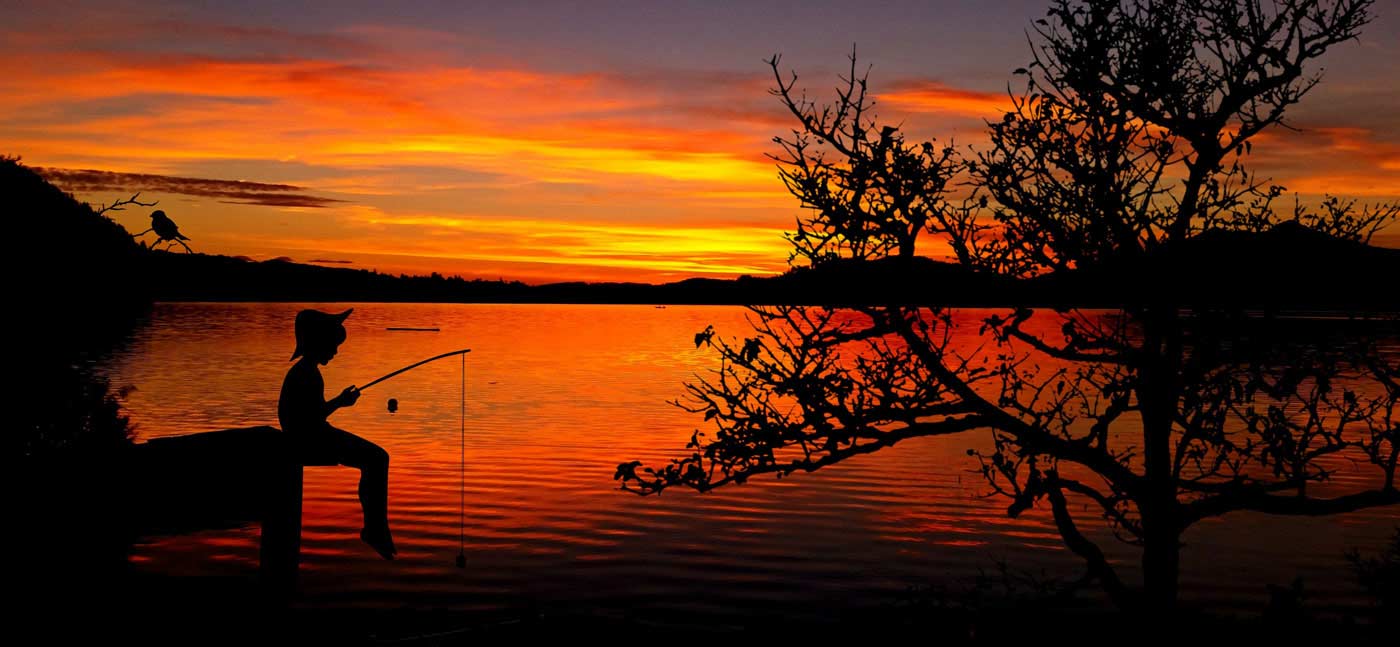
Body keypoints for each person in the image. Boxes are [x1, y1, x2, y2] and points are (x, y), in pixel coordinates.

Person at [277, 308, 397, 560]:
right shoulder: (305, 374)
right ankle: (375, 529)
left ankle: (375, 528)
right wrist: (340, 402)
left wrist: (338, 402)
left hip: (312, 434)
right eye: (332, 344)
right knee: (376, 458)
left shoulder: (306, 371)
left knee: (375, 458)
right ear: (318, 342)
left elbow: (311, 414)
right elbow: (310, 417)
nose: (335, 351)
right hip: (309, 439)